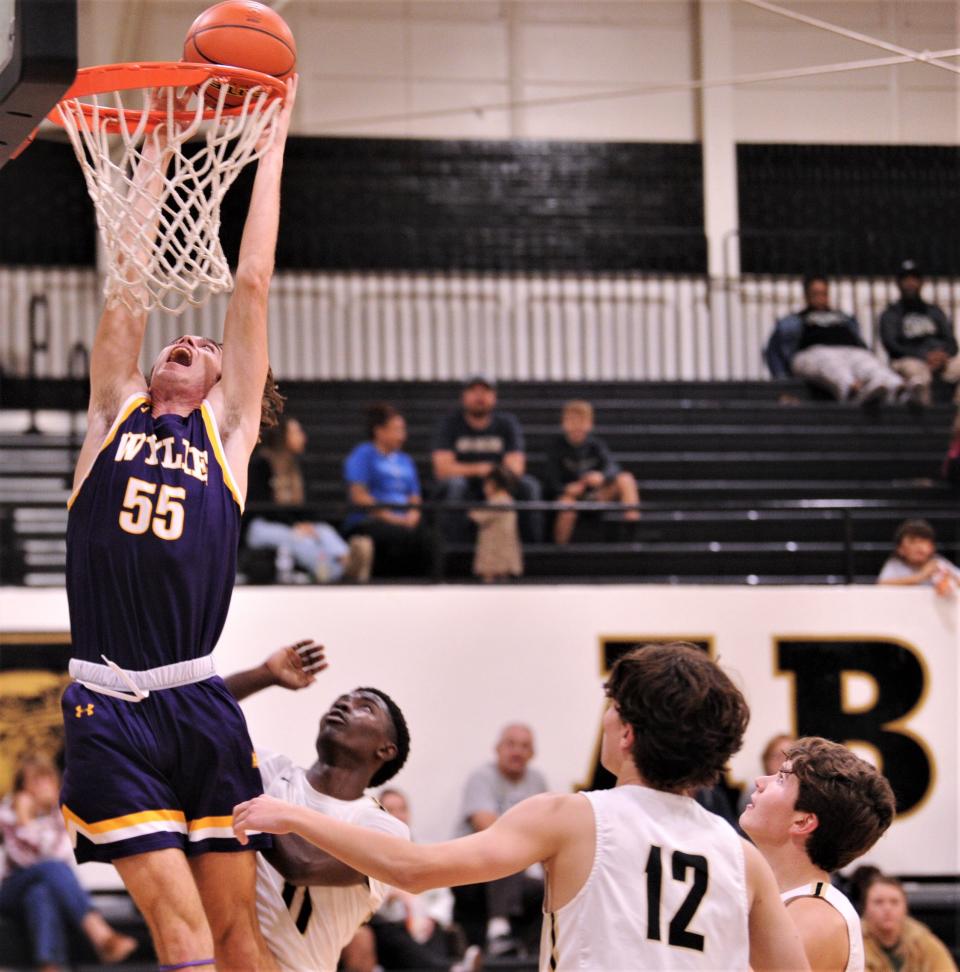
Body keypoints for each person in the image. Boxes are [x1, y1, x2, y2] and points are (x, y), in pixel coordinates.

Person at [59, 78, 298, 971]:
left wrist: (271, 147)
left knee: (236, 931)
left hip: (198, 699)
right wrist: (154, 157)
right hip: (107, 704)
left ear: (229, 383)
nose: (186, 342)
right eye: (179, 341)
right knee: (182, 932)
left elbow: (252, 279)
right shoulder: (109, 419)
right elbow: (127, 289)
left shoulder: (227, 437)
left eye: (204, 348)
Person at [234, 642, 813, 972]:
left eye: (611, 709)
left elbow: (414, 869)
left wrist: (292, 814)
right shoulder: (743, 859)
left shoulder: (573, 815)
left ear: (629, 733)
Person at [222, 642, 412, 972]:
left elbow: (304, 865)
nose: (344, 705)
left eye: (364, 707)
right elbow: (200, 718)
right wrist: (263, 675)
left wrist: (235, 786)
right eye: (342, 700)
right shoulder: (270, 770)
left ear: (385, 750)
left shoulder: (383, 828)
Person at [740, 736, 896, 972]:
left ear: (803, 821)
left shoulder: (816, 917)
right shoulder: (781, 897)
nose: (760, 781)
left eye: (781, 779)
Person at [0, 756, 137, 971]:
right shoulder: (9, 812)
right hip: (12, 889)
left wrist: (51, 814)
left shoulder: (62, 813)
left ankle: (51, 966)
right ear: (23, 787)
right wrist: (24, 819)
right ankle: (99, 933)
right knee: (51, 871)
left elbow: (60, 853)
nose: (42, 787)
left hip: (43, 890)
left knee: (41, 893)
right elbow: (24, 860)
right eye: (35, 781)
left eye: (46, 781)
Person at [340, 788, 481, 972]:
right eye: (390, 809)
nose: (398, 815)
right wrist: (390, 898)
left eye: (402, 809)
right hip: (390, 924)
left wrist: (430, 916)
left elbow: (443, 896)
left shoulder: (426, 849)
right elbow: (360, 900)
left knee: (436, 931)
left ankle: (450, 967)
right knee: (390, 933)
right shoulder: (366, 852)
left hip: (425, 922)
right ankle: (451, 969)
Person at [449, 722, 546, 955]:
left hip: (515, 872)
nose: (517, 751)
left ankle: (531, 955)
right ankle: (498, 931)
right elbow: (488, 826)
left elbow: (548, 832)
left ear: (532, 754)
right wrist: (531, 843)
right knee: (504, 848)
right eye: (511, 744)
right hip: (471, 870)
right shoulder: (481, 777)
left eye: (525, 746)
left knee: (544, 888)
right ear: (497, 749)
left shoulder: (537, 781)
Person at [246, 414, 373, 583]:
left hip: (288, 524)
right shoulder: (261, 464)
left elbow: (303, 507)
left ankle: (347, 559)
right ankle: (336, 572)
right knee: (300, 540)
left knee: (323, 530)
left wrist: (306, 524)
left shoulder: (296, 468)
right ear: (283, 436)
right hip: (261, 525)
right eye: (297, 432)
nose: (303, 437)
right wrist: (294, 525)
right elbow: (262, 504)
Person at [431, 376, 543, 543]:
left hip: (499, 483)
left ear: (494, 397)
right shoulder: (449, 424)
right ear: (464, 397)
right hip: (466, 485)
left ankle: (532, 550)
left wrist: (494, 480)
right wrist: (481, 469)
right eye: (474, 391)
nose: (479, 396)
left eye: (485, 391)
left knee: (529, 486)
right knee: (455, 486)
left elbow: (516, 467)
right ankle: (452, 551)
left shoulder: (507, 423)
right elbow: (443, 469)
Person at [765, 276, 906, 406]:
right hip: (813, 353)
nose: (820, 298)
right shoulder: (794, 320)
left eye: (824, 293)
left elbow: (860, 344)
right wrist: (782, 381)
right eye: (816, 293)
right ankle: (852, 391)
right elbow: (773, 352)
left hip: (851, 351)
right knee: (831, 364)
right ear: (807, 295)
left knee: (869, 364)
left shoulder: (844, 318)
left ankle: (897, 389)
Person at [342, 403, 432, 578]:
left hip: (404, 520)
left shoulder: (405, 460)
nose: (402, 436)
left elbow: (414, 496)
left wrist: (413, 515)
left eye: (403, 430)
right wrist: (391, 517)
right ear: (379, 431)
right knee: (396, 537)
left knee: (429, 539)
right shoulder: (363, 454)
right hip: (370, 521)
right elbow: (359, 495)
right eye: (397, 430)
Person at [545, 400, 640, 545]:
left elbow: (613, 467)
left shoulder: (596, 445)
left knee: (626, 479)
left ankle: (632, 532)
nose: (577, 426)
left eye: (581, 421)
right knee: (566, 504)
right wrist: (566, 489)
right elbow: (550, 480)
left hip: (596, 495)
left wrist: (601, 477)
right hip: (572, 498)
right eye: (572, 421)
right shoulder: (556, 447)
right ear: (564, 423)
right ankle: (560, 548)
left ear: (590, 424)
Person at [879, 260, 960, 407]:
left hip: (941, 359)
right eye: (906, 279)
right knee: (918, 375)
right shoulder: (891, 313)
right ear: (898, 283)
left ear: (921, 282)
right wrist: (924, 356)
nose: (910, 283)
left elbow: (952, 342)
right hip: (909, 359)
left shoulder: (934, 311)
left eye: (914, 279)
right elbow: (892, 345)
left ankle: (956, 417)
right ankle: (927, 422)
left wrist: (942, 355)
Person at [861, 874, 958, 972]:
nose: (887, 909)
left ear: (905, 908)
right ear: (865, 908)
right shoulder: (855, 943)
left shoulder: (922, 942)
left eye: (894, 902)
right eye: (878, 902)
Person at [468, 466, 524, 583]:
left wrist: (471, 512)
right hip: (502, 542)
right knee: (502, 575)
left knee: (492, 574)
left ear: (492, 484)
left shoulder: (499, 501)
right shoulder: (508, 500)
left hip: (495, 545)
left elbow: (480, 516)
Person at [877, 518, 960, 596]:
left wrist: (951, 578)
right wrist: (921, 576)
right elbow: (881, 584)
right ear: (900, 549)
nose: (919, 547)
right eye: (912, 542)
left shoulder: (938, 563)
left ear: (932, 547)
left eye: (923, 542)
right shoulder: (895, 564)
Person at [737, 732, 795, 814]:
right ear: (766, 760)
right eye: (778, 756)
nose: (784, 762)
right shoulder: (755, 790)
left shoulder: (800, 791)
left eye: (789, 757)